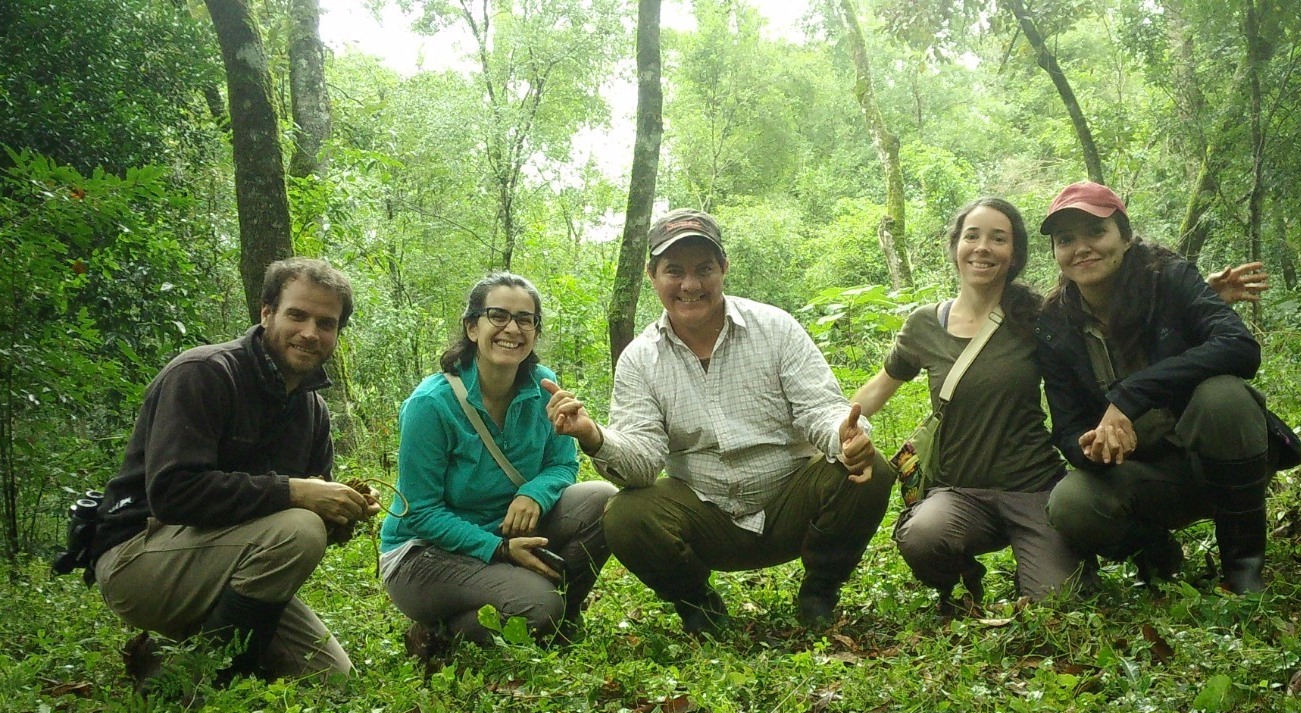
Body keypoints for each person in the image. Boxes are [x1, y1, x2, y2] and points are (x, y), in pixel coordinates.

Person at [544, 208, 894, 634]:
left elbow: (820, 408)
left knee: (870, 472)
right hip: (704, 512)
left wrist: (848, 437)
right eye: (674, 271)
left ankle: (820, 591)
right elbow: (641, 465)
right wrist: (593, 436)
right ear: (652, 276)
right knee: (625, 515)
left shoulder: (775, 328)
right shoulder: (640, 358)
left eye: (704, 269)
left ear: (724, 269)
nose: (690, 285)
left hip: (789, 500)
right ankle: (700, 608)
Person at [90, 257, 378, 688]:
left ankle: (174, 660)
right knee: (298, 527)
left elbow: (312, 521)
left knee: (332, 678)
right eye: (296, 315)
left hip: (228, 561)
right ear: (266, 313)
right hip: (137, 557)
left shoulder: (312, 410)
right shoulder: (204, 374)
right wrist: (295, 493)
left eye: (326, 323)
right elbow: (173, 493)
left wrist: (343, 510)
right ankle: (214, 679)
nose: (310, 333)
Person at [1035, 181, 1291, 594]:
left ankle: (1243, 567)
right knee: (1071, 504)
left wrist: (1127, 397)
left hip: (1217, 460)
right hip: (1146, 478)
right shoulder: (1055, 325)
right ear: (1055, 254)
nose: (1081, 248)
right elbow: (1065, 428)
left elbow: (1240, 348)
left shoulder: (1169, 278)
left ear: (1126, 237)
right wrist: (1096, 447)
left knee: (1223, 396)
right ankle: (1155, 552)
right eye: (1066, 240)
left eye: (1096, 232)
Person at [852, 198, 1088, 611]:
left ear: (1013, 255)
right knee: (922, 537)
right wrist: (838, 428)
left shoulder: (1038, 318)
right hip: (958, 493)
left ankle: (1042, 562)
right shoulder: (925, 324)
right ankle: (964, 579)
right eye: (972, 236)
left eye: (998, 239)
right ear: (956, 246)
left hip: (1034, 489)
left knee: (1056, 604)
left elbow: (1104, 335)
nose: (982, 247)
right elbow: (878, 388)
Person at [378, 272, 614, 659]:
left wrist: (533, 493)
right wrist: (500, 550)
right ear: (473, 327)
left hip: (504, 527)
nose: (513, 329)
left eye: (525, 319)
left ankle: (562, 616)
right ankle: (440, 634)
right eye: (498, 316)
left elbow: (561, 464)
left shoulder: (544, 386)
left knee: (602, 499)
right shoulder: (431, 404)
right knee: (538, 607)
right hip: (424, 554)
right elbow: (419, 511)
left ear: (536, 332)